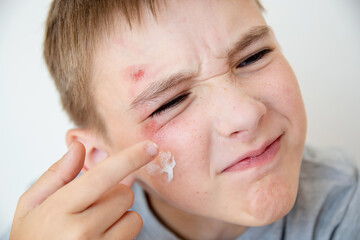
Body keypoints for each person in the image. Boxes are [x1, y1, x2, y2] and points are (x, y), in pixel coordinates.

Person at [7, 0, 360, 239]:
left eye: (254, 56)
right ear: (101, 158)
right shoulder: (59, 227)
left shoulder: (344, 210)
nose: (246, 113)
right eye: (171, 101)